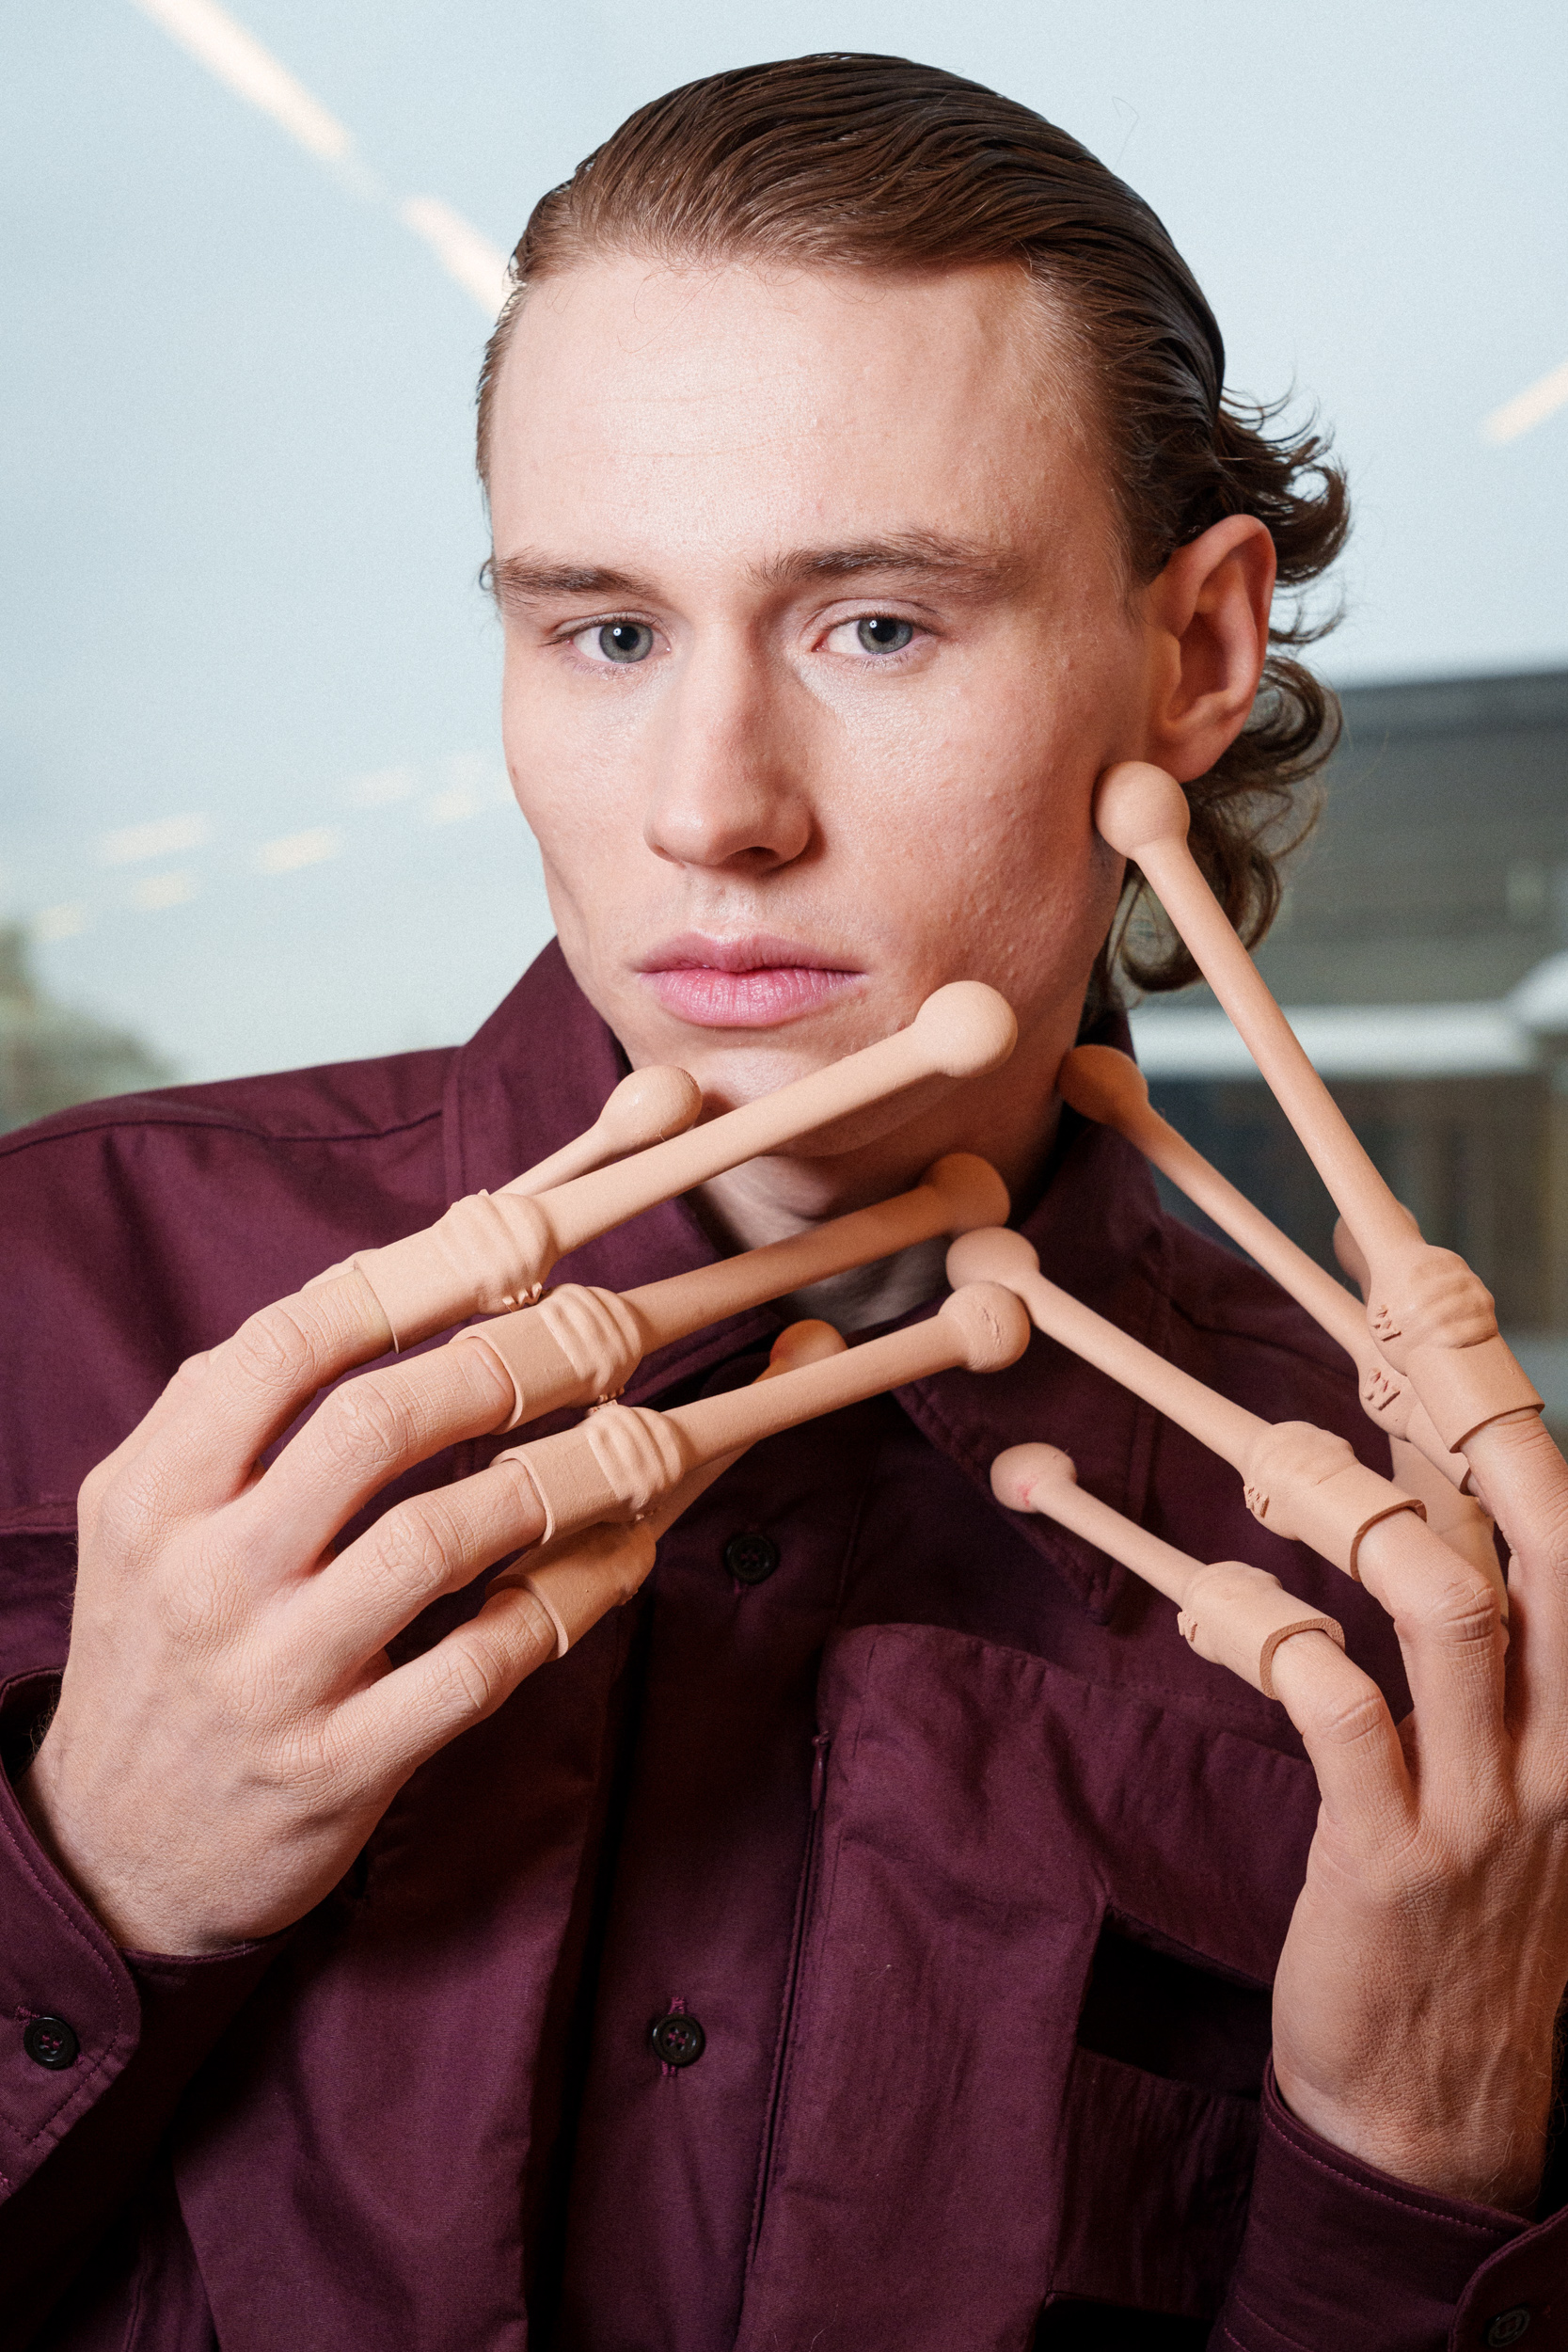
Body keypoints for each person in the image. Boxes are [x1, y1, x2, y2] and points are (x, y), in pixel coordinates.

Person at [1, 53, 1563, 2352]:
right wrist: (91, 1879)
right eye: (607, 632)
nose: (713, 809)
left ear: (1201, 651)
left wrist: (1426, 2177)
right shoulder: (59, 1296)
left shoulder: (1415, 1616)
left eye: (878, 626)